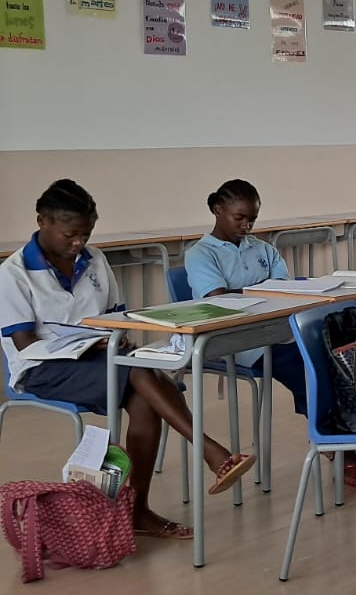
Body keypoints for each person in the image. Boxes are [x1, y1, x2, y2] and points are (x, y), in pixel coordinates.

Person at [1, 180, 255, 540]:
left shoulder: (95, 260)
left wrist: (117, 338)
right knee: (139, 372)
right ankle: (210, 450)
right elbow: (26, 344)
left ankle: (138, 509)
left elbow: (116, 317)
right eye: (70, 235)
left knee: (144, 395)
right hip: (42, 368)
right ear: (42, 221)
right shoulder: (13, 273)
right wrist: (92, 345)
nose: (79, 244)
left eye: (86, 234)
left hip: (100, 358)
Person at [185, 180, 356, 488]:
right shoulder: (201, 254)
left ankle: (342, 433)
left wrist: (257, 292)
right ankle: (341, 450)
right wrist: (261, 291)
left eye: (252, 219)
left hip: (278, 332)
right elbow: (218, 299)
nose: (246, 226)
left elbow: (284, 291)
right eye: (239, 218)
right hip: (235, 340)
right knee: (307, 369)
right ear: (218, 210)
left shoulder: (263, 249)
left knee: (336, 356)